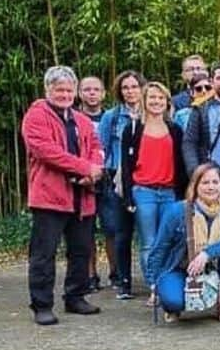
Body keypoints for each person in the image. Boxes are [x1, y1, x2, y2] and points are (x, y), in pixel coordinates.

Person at [22, 66, 105, 325]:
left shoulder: (81, 119)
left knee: (81, 250)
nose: (65, 94)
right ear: (48, 90)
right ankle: (42, 304)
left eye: (69, 90)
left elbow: (96, 147)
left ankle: (76, 296)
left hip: (82, 195)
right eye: (59, 90)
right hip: (50, 196)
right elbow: (46, 150)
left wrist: (92, 172)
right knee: (44, 254)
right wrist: (84, 167)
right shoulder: (36, 115)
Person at [146, 162, 220, 324]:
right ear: (195, 185)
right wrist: (152, 283)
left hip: (213, 264)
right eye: (205, 182)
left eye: (215, 182)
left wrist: (206, 254)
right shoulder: (177, 210)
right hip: (180, 266)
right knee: (173, 302)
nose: (211, 187)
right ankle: (172, 304)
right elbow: (160, 247)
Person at [119, 81, 187, 299]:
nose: (156, 102)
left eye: (160, 98)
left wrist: (183, 193)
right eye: (152, 98)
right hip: (143, 191)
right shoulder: (132, 128)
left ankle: (166, 282)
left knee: (168, 239)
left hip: (169, 192)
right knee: (149, 242)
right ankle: (153, 287)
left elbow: (181, 165)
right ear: (144, 101)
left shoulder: (175, 130)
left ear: (167, 102)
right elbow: (126, 167)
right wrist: (128, 197)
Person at [98, 69, 146, 298]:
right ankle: (123, 281)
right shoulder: (112, 116)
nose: (130, 91)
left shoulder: (153, 113)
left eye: (134, 86)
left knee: (149, 234)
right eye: (125, 87)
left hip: (146, 179)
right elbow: (102, 149)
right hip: (118, 182)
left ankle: (154, 281)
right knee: (121, 233)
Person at [76, 75, 111, 291]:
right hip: (81, 178)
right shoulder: (72, 118)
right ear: (80, 93)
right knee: (84, 229)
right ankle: (89, 275)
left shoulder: (113, 117)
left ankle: (116, 273)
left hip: (108, 178)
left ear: (103, 93)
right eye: (86, 89)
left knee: (112, 228)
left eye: (96, 89)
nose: (91, 93)